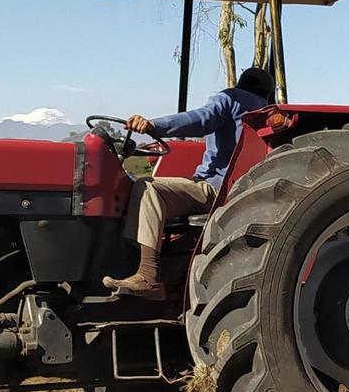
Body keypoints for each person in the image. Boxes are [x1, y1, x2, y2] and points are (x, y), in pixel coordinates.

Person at [104, 66, 276, 297]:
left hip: (215, 189)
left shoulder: (232, 99)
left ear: (240, 85)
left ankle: (147, 274)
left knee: (148, 188)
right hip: (239, 189)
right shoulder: (266, 111)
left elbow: (201, 118)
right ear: (267, 93)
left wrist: (154, 125)